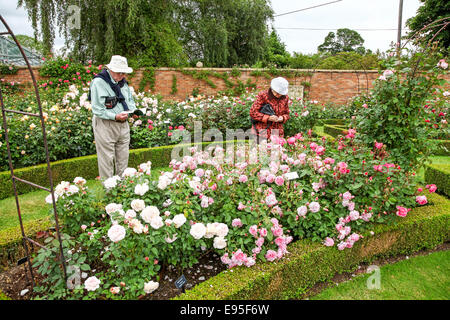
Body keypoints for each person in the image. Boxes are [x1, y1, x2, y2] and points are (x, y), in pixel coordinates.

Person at [88, 55, 138, 179]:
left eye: (124, 72)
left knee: (123, 158)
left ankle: (123, 191)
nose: (122, 75)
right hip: (105, 124)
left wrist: (133, 110)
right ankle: (109, 192)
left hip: (123, 124)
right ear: (110, 69)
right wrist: (115, 116)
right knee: (107, 160)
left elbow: (130, 101)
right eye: (119, 72)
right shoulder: (99, 82)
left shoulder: (123, 83)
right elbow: (97, 109)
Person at [249, 77, 290, 142]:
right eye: (276, 92)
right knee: (261, 151)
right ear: (272, 89)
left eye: (280, 93)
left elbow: (287, 114)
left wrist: (282, 118)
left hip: (277, 133)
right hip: (262, 133)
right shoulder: (263, 95)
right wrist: (268, 118)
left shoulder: (285, 98)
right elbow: (253, 112)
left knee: (277, 152)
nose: (278, 95)